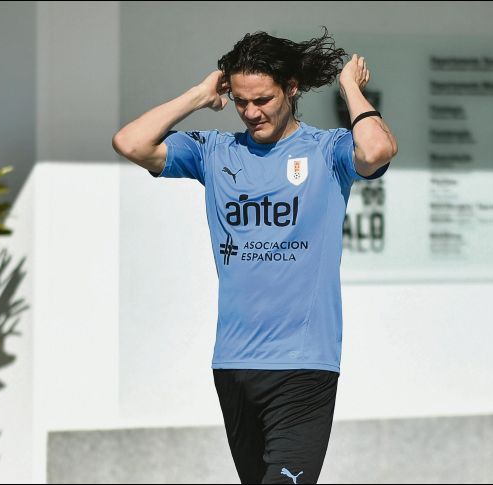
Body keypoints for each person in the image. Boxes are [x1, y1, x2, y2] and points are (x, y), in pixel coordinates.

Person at [112, 28, 397, 484]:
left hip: (304, 366)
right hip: (234, 364)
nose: (250, 112)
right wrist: (198, 95)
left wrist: (350, 89)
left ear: (291, 88)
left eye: (262, 99)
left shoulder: (327, 151)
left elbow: (377, 149)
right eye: (242, 101)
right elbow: (131, 143)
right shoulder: (214, 151)